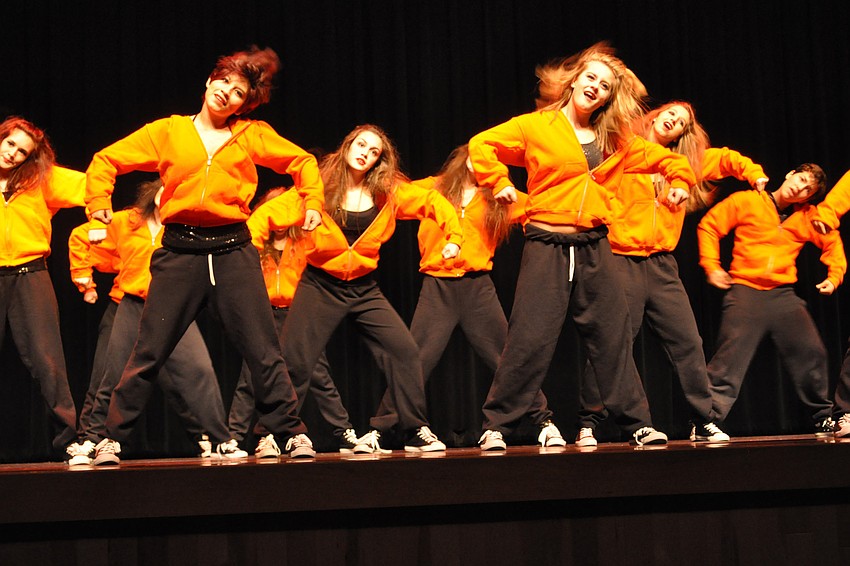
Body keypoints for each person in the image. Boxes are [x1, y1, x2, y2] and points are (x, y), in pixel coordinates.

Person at [85, 46, 323, 464]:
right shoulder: (168, 131)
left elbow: (302, 162)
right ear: (208, 83)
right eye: (224, 83)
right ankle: (111, 438)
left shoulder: (252, 135)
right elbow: (106, 160)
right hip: (180, 250)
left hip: (232, 248)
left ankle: (289, 431)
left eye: (238, 92)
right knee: (150, 350)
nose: (227, 93)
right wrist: (97, 200)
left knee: (262, 347)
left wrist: (314, 203)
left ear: (243, 104)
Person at [468, 44, 697, 450]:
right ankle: (498, 425)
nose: (595, 87)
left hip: (593, 244)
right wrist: (499, 181)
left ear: (609, 97)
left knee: (613, 335)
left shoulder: (616, 140)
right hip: (546, 242)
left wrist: (680, 184)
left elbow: (671, 162)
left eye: (604, 85)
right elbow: (481, 144)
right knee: (530, 337)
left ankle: (636, 423)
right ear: (574, 80)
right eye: (590, 78)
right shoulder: (536, 125)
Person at [256, 124, 462, 454]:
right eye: (361, 144)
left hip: (364, 288)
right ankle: (274, 433)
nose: (365, 152)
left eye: (374, 151)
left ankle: (412, 429)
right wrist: (245, 249)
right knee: (295, 360)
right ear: (348, 144)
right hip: (321, 284)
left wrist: (454, 237)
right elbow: (268, 214)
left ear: (379, 161)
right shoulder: (319, 188)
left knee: (405, 351)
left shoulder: (387, 192)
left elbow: (430, 201)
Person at [575, 101, 768, 446]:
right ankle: (590, 421)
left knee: (688, 342)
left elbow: (725, 159)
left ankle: (702, 419)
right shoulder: (622, 148)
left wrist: (753, 173)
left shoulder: (687, 162)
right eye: (671, 114)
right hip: (621, 259)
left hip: (662, 265)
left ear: (683, 133)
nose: (674, 121)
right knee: (613, 342)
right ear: (656, 114)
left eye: (681, 123)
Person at [369, 145, 565, 448]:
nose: (483, 160)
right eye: (478, 154)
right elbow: (394, 192)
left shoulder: (500, 199)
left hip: (478, 288)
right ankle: (383, 429)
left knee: (506, 357)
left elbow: (541, 209)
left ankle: (542, 420)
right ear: (464, 157)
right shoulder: (435, 187)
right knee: (415, 359)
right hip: (438, 287)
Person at [69, 180, 242, 466]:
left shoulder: (186, 230)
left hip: (172, 311)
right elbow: (80, 237)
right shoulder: (127, 221)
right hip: (131, 304)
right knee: (111, 374)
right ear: (156, 192)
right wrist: (84, 279)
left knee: (199, 371)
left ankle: (220, 439)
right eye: (170, 190)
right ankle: (92, 438)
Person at [698, 164, 844, 436]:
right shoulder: (748, 200)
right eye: (800, 179)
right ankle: (707, 421)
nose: (799, 188)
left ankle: (823, 416)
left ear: (807, 197)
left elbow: (832, 244)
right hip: (745, 290)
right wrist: (712, 266)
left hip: (782, 296)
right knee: (730, 357)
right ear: (789, 174)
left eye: (807, 189)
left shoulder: (808, 217)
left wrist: (834, 277)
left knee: (811, 351)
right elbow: (709, 226)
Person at [228, 186, 360, 455]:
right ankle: (234, 437)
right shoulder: (255, 245)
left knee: (318, 374)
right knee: (251, 377)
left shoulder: (303, 242)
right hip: (263, 316)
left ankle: (343, 431)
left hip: (297, 313)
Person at [0, 116, 90, 463]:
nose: (12, 154)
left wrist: (100, 216)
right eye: (10, 144)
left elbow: (91, 186)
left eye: (21, 151)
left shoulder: (40, 180)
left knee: (48, 361)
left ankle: (69, 440)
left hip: (30, 274)